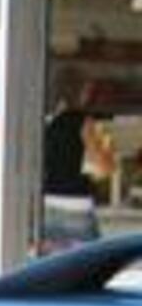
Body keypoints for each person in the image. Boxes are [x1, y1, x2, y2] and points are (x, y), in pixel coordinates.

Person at [42, 70, 108, 255]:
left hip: (47, 203)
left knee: (52, 267)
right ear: (79, 93)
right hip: (75, 205)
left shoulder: (47, 120)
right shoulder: (82, 121)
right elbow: (103, 168)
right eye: (86, 90)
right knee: (90, 265)